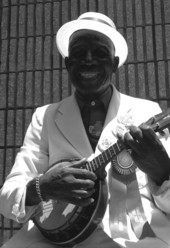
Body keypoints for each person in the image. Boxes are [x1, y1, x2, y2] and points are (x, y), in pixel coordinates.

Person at [0, 12, 170, 248]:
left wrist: (163, 173)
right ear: (68, 63)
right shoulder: (45, 116)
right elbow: (8, 197)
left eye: (100, 53)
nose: (88, 60)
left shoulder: (147, 112)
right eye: (79, 53)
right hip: (55, 239)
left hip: (138, 237)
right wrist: (41, 188)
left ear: (114, 63)